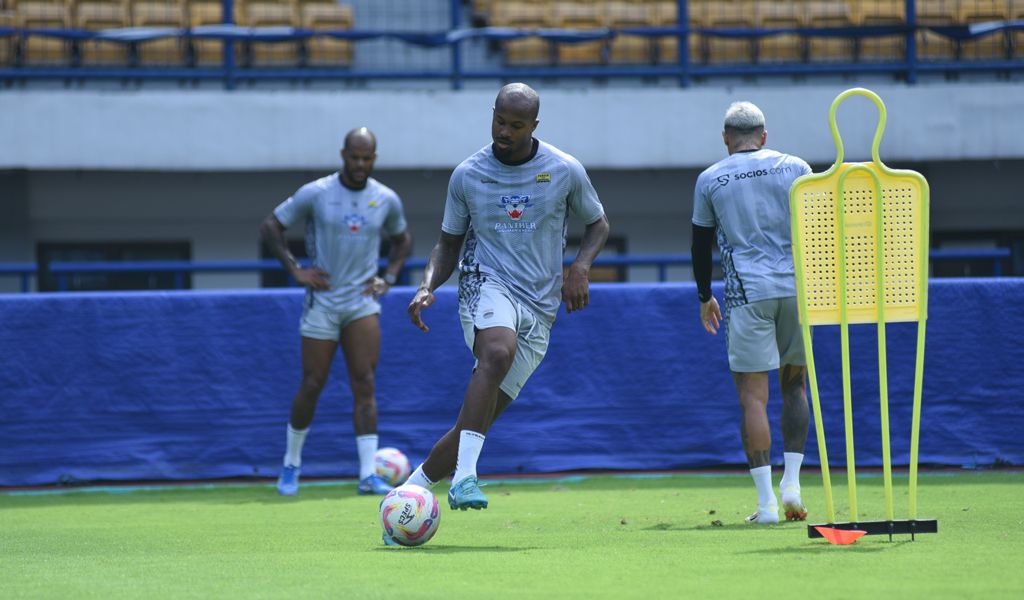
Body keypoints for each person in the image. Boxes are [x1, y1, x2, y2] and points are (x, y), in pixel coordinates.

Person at [404, 83, 610, 512]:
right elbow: (448, 244)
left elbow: (598, 224)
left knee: (474, 422)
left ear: (534, 126)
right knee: (496, 353)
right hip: (485, 283)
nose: (505, 131)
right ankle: (465, 478)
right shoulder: (468, 174)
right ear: (492, 114)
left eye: (517, 125)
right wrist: (427, 286)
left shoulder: (564, 169)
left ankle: (408, 493)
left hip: (540, 305)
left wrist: (581, 267)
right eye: (500, 120)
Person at [260, 127, 412, 497]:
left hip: (361, 302)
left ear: (374, 158)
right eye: (354, 156)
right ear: (343, 154)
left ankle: (366, 475)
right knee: (312, 384)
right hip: (323, 302)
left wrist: (389, 277)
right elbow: (271, 226)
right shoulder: (317, 192)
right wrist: (295, 268)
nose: (360, 164)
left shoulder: (386, 199)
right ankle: (291, 466)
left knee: (365, 382)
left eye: (367, 158)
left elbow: (403, 239)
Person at [691, 101, 813, 525]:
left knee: (752, 397)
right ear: (764, 135)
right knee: (795, 387)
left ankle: (766, 506)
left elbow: (700, 243)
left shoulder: (710, 179)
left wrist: (705, 295)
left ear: (726, 138)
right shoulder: (797, 167)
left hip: (748, 294)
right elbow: (817, 228)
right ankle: (793, 484)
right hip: (798, 290)